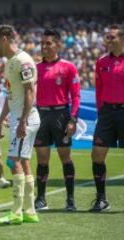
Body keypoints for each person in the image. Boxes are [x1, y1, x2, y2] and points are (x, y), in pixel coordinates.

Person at [0, 24, 40, 224]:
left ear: (4, 39)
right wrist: (1, 118)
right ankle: (30, 211)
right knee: (24, 162)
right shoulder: (10, 62)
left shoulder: (23, 60)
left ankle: (16, 212)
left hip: (24, 119)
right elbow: (11, 95)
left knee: (13, 161)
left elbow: (30, 91)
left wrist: (23, 120)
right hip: (19, 117)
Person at [34, 29, 80, 211]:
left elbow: (75, 96)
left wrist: (73, 119)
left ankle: (70, 199)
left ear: (57, 45)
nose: (44, 46)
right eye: (42, 43)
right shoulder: (35, 68)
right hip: (41, 115)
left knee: (65, 157)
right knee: (42, 159)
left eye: (48, 43)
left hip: (61, 114)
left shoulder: (68, 67)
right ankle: (41, 199)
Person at [90, 24, 124, 212]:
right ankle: (101, 200)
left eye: (112, 37)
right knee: (97, 154)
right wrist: (101, 110)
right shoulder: (101, 62)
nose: (108, 41)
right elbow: (99, 89)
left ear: (122, 39)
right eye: (107, 38)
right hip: (106, 114)